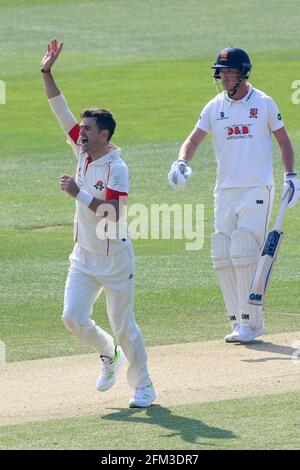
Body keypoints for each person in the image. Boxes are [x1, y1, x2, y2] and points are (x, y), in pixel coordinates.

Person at [40, 38, 156, 407]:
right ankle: (109, 354)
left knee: (125, 326)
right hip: (84, 256)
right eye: (83, 128)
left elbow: (114, 211)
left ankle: (144, 386)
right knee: (72, 318)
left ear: (105, 135)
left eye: (88, 129)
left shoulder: (117, 167)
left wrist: (78, 193)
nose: (82, 131)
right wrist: (46, 71)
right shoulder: (82, 151)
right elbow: (60, 110)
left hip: (115, 259)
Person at [168, 47, 300, 343]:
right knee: (223, 253)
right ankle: (239, 320)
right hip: (225, 189)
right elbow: (193, 139)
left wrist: (291, 175)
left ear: (243, 73)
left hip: (257, 187)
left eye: (228, 72)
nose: (223, 77)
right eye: (221, 72)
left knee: (246, 252)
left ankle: (253, 323)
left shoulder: (263, 102)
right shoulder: (214, 106)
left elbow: (284, 141)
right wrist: (182, 161)